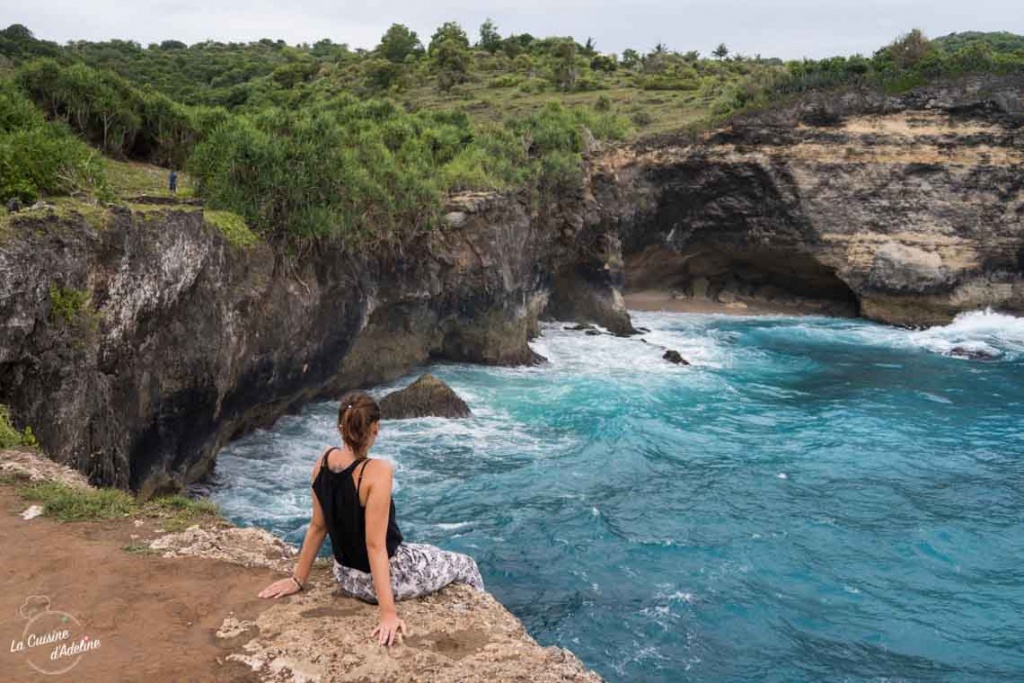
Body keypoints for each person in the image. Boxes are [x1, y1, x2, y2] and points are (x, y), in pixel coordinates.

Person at [258, 391, 485, 647]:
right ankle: (476, 625)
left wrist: (297, 579)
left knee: (426, 551)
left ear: (339, 427)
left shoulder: (322, 461)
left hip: (345, 576)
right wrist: (388, 614)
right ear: (375, 429)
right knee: (466, 564)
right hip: (384, 580)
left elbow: (318, 526)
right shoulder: (377, 472)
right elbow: (375, 546)